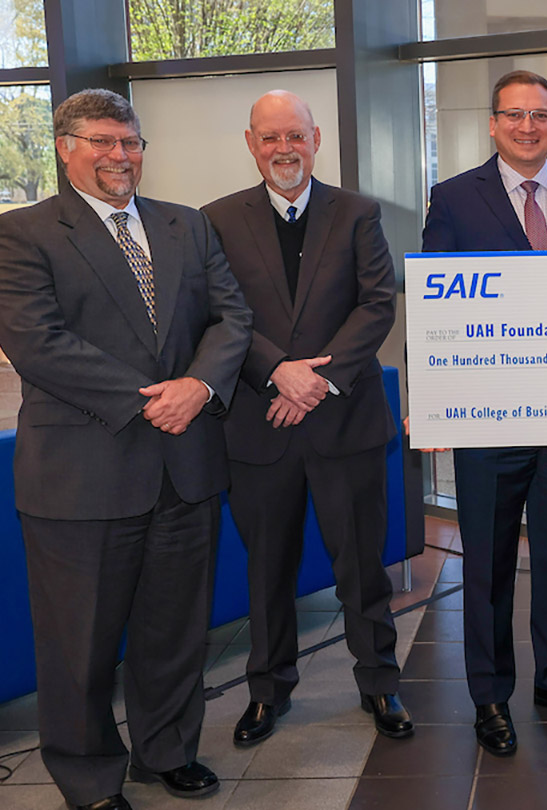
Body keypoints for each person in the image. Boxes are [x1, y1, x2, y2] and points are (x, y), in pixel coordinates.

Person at [0, 88, 251, 810]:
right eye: (102, 141)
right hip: (83, 475)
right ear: (65, 146)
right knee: (80, 647)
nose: (120, 156)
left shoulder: (186, 225)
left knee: (175, 631)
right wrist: (154, 399)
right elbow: (37, 344)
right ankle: (90, 779)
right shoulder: (22, 233)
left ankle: (166, 752)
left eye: (130, 142)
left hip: (186, 468)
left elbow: (232, 318)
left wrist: (196, 386)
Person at [420, 69, 547, 756]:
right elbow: (434, 309)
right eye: (515, 115)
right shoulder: (452, 199)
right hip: (489, 417)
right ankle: (489, 694)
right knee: (486, 562)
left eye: (541, 114)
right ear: (493, 123)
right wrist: (431, 402)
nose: (529, 126)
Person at [201, 90, 410, 747]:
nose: (283, 148)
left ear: (316, 139)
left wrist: (316, 379)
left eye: (295, 134)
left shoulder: (358, 213)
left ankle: (379, 683)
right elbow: (219, 313)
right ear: (250, 142)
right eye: (270, 137)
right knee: (267, 574)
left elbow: (377, 305)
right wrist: (278, 372)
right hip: (259, 429)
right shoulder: (216, 221)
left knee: (362, 571)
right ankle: (268, 693)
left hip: (343, 424)